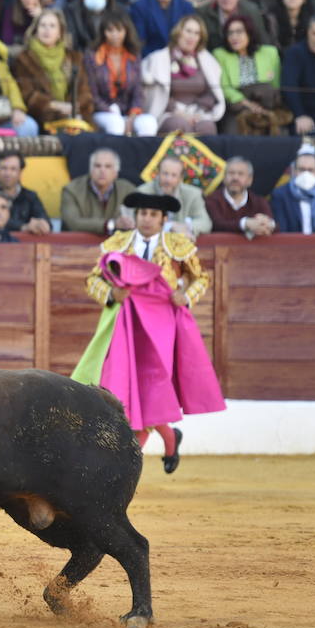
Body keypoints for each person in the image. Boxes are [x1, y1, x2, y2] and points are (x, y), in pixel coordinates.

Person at [72, 190, 224, 475]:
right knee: (128, 389)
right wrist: (110, 293)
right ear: (136, 216)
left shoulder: (178, 245)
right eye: (143, 213)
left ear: (164, 219)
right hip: (126, 323)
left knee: (153, 387)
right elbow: (92, 279)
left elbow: (200, 277)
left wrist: (186, 296)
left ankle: (128, 458)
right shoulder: (117, 243)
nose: (147, 219)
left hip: (161, 325)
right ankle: (163, 440)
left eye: (153, 215)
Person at [12, 8, 94, 134]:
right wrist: (56, 106)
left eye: (52, 26)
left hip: (74, 114)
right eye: (43, 25)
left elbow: (85, 91)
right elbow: (28, 95)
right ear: (36, 30)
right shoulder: (24, 59)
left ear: (60, 32)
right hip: (43, 117)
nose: (47, 30)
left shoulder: (74, 58)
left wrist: (73, 108)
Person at [213, 14, 286, 136]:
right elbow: (224, 87)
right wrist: (248, 104)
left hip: (266, 103)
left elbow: (276, 86)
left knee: (279, 133)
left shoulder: (270, 53)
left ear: (250, 32)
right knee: (231, 133)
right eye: (230, 33)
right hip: (238, 104)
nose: (234, 37)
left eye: (239, 32)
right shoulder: (220, 55)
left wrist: (264, 106)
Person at [60, 147, 137, 235]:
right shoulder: (71, 190)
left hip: (116, 246)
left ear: (116, 173)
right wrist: (111, 224)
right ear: (91, 170)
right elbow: (73, 223)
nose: (102, 171)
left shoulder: (128, 190)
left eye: (108, 166)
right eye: (97, 166)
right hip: (78, 245)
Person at [0, 151, 51, 235]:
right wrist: (23, 227)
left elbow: (46, 222)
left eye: (13, 169)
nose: (8, 173)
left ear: (20, 172)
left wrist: (41, 224)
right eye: (4, 168)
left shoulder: (30, 196)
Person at [270, 146, 315, 234]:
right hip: (293, 245)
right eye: (302, 169)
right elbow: (282, 229)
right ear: (294, 171)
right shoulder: (280, 194)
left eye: (310, 170)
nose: (306, 174)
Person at [135, 155, 212, 235]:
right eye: (165, 174)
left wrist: (186, 226)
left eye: (174, 175)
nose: (168, 180)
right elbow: (134, 220)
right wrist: (169, 226)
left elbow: (205, 222)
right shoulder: (143, 192)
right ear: (158, 174)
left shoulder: (193, 194)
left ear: (180, 178)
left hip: (179, 243)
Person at [204, 156, 275, 239]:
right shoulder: (212, 200)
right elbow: (217, 225)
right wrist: (246, 223)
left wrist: (268, 224)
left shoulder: (259, 201)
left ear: (250, 180)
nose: (235, 178)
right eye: (231, 173)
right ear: (224, 178)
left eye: (240, 174)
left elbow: (276, 226)